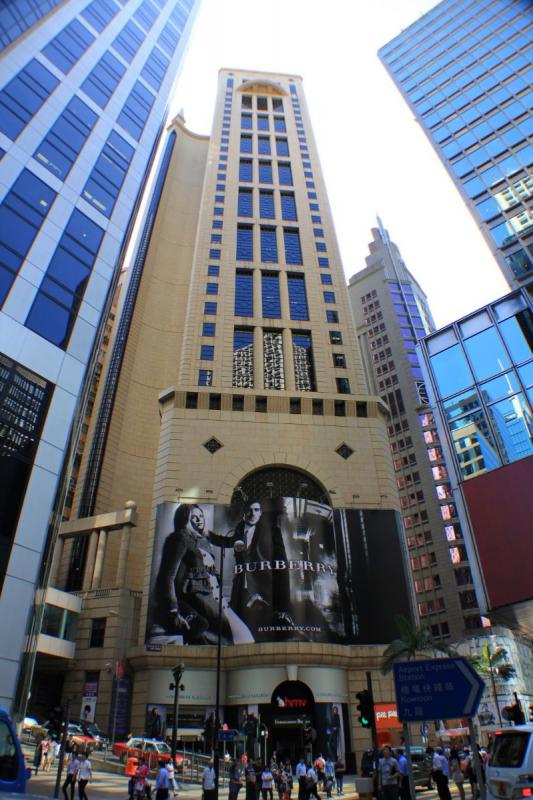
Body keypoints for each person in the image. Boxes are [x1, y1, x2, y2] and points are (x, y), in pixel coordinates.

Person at [151, 504, 232, 644]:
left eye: (201, 516)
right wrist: (173, 610)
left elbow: (224, 544)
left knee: (231, 637)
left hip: (213, 598)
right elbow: (167, 576)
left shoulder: (200, 541)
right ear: (184, 519)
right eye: (194, 517)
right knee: (220, 638)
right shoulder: (179, 538)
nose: (200, 520)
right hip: (197, 600)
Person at [226, 499, 291, 640]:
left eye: (257, 511)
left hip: (263, 594)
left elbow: (282, 570)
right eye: (249, 511)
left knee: (261, 634)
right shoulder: (240, 530)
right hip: (240, 592)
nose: (252, 514)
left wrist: (282, 606)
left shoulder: (273, 533)